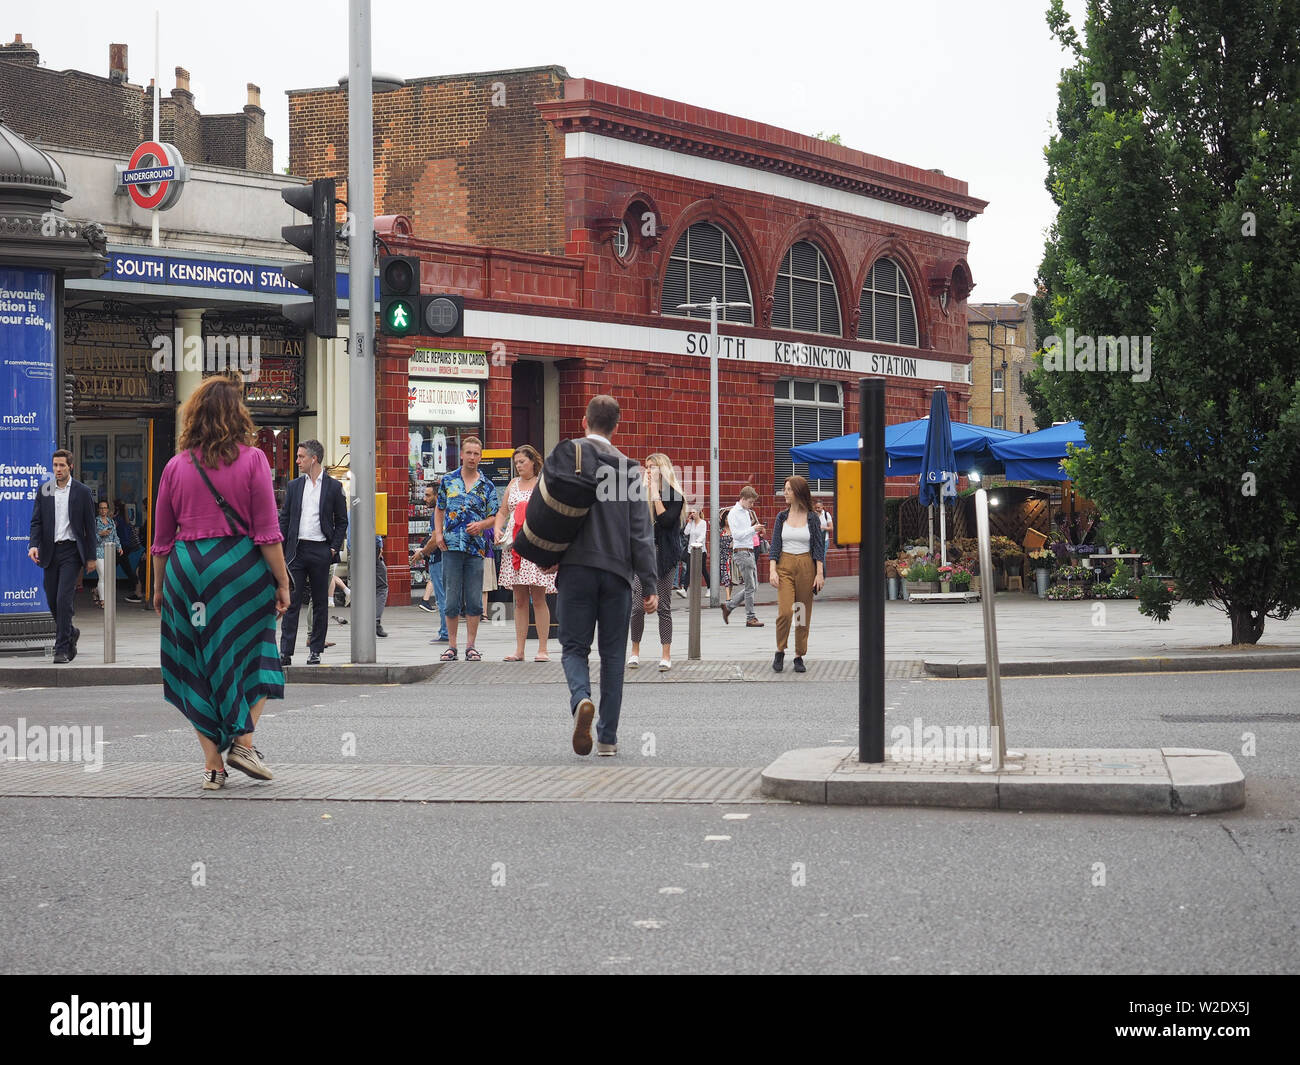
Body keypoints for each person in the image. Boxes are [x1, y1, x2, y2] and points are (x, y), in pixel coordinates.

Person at [151, 376, 290, 790]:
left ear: (194, 416)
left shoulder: (175, 466)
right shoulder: (253, 461)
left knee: (196, 663)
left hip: (186, 572)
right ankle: (243, 743)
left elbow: (161, 541)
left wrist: (159, 589)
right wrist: (282, 582)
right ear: (237, 415)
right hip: (238, 572)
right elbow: (267, 532)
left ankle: (213, 766)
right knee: (258, 653)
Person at [549, 395, 657, 757]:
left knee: (574, 648)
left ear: (584, 422)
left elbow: (548, 511)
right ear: (617, 426)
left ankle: (581, 698)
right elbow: (641, 531)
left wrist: (547, 554)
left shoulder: (569, 458)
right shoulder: (628, 469)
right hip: (616, 574)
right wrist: (650, 582)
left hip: (576, 569)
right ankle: (608, 737)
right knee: (613, 657)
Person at [411, 435, 499, 662]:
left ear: (481, 456)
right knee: (450, 599)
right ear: (461, 454)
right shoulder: (448, 481)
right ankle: (451, 646)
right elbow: (439, 510)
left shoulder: (486, 485)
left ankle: (471, 646)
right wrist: (438, 534)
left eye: (476, 453)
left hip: (475, 549)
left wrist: (481, 525)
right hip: (450, 546)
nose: (472, 457)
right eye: (468, 453)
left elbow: (495, 515)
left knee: (473, 599)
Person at [278, 440, 348, 666]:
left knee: (320, 603)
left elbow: (342, 521)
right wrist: (281, 548)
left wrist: (333, 548)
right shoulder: (295, 486)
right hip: (296, 551)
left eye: (301, 457)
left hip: (321, 550)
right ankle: (285, 652)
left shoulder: (334, 487)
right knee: (291, 602)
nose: (297, 461)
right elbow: (285, 518)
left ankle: (315, 650)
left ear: (314, 458)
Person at [27, 449, 96, 663]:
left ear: (70, 467)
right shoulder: (45, 490)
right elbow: (36, 521)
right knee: (51, 599)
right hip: (50, 551)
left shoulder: (82, 492)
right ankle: (71, 631)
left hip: (71, 552)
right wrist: (33, 545)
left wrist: (91, 557)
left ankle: (62, 648)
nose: (57, 469)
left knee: (63, 599)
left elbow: (89, 526)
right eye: (55, 465)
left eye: (62, 466)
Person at [493, 444, 556, 662]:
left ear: (533, 461)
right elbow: (502, 511)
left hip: (536, 543)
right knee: (519, 599)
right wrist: (497, 528)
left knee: (538, 597)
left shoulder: (543, 483)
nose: (518, 466)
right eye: (516, 462)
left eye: (522, 461)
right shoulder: (512, 484)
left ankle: (543, 649)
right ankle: (519, 650)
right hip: (515, 545)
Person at [629, 452, 684, 672]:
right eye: (647, 467)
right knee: (636, 607)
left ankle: (666, 654)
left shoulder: (675, 496)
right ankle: (634, 651)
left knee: (663, 606)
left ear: (663, 469)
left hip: (665, 555)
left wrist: (654, 493)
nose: (649, 471)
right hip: (642, 555)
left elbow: (666, 520)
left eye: (653, 467)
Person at [769, 475, 826, 673]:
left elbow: (819, 548)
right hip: (784, 565)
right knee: (785, 612)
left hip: (806, 567)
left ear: (798, 492)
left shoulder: (812, 518)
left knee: (801, 612)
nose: (785, 493)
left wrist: (819, 574)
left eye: (788, 490)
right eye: (784, 489)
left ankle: (799, 655)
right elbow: (775, 545)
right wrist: (772, 570)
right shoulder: (781, 517)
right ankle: (780, 649)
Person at [720, 485, 765, 626]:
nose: (752, 505)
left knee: (754, 586)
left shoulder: (746, 512)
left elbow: (745, 533)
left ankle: (729, 606)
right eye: (750, 502)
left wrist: (756, 531)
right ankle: (750, 617)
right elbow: (737, 535)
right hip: (741, 551)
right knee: (751, 586)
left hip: (749, 550)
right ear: (743, 499)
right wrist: (753, 529)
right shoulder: (734, 513)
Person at [416, 481, 449, 642]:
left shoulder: (438, 513)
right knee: (447, 597)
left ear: (438, 496)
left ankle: (445, 632)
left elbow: (436, 538)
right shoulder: (447, 511)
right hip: (448, 559)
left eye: (428, 495)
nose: (425, 499)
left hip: (439, 560)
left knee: (442, 598)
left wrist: (421, 553)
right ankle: (447, 630)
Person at [90, 500, 122, 607]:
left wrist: (119, 547)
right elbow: (91, 538)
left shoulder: (111, 522)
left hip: (110, 552)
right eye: (101, 508)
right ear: (98, 510)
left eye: (105, 508)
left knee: (108, 577)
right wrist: (101, 534)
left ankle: (96, 590)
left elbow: (115, 536)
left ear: (108, 510)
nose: (103, 510)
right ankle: (103, 600)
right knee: (102, 575)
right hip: (98, 551)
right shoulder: (95, 522)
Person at [113, 500, 145, 603]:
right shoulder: (125, 518)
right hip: (127, 546)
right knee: (124, 566)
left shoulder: (116, 519)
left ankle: (137, 588)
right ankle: (136, 587)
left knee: (112, 567)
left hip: (121, 546)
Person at [682, 508, 709, 594]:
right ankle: (685, 590)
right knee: (689, 570)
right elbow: (686, 533)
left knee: (703, 570)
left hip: (700, 550)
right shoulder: (692, 523)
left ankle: (709, 588)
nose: (692, 514)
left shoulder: (703, 523)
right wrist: (689, 522)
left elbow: (703, 535)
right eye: (691, 512)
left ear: (698, 513)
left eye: (694, 512)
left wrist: (697, 542)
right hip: (691, 550)